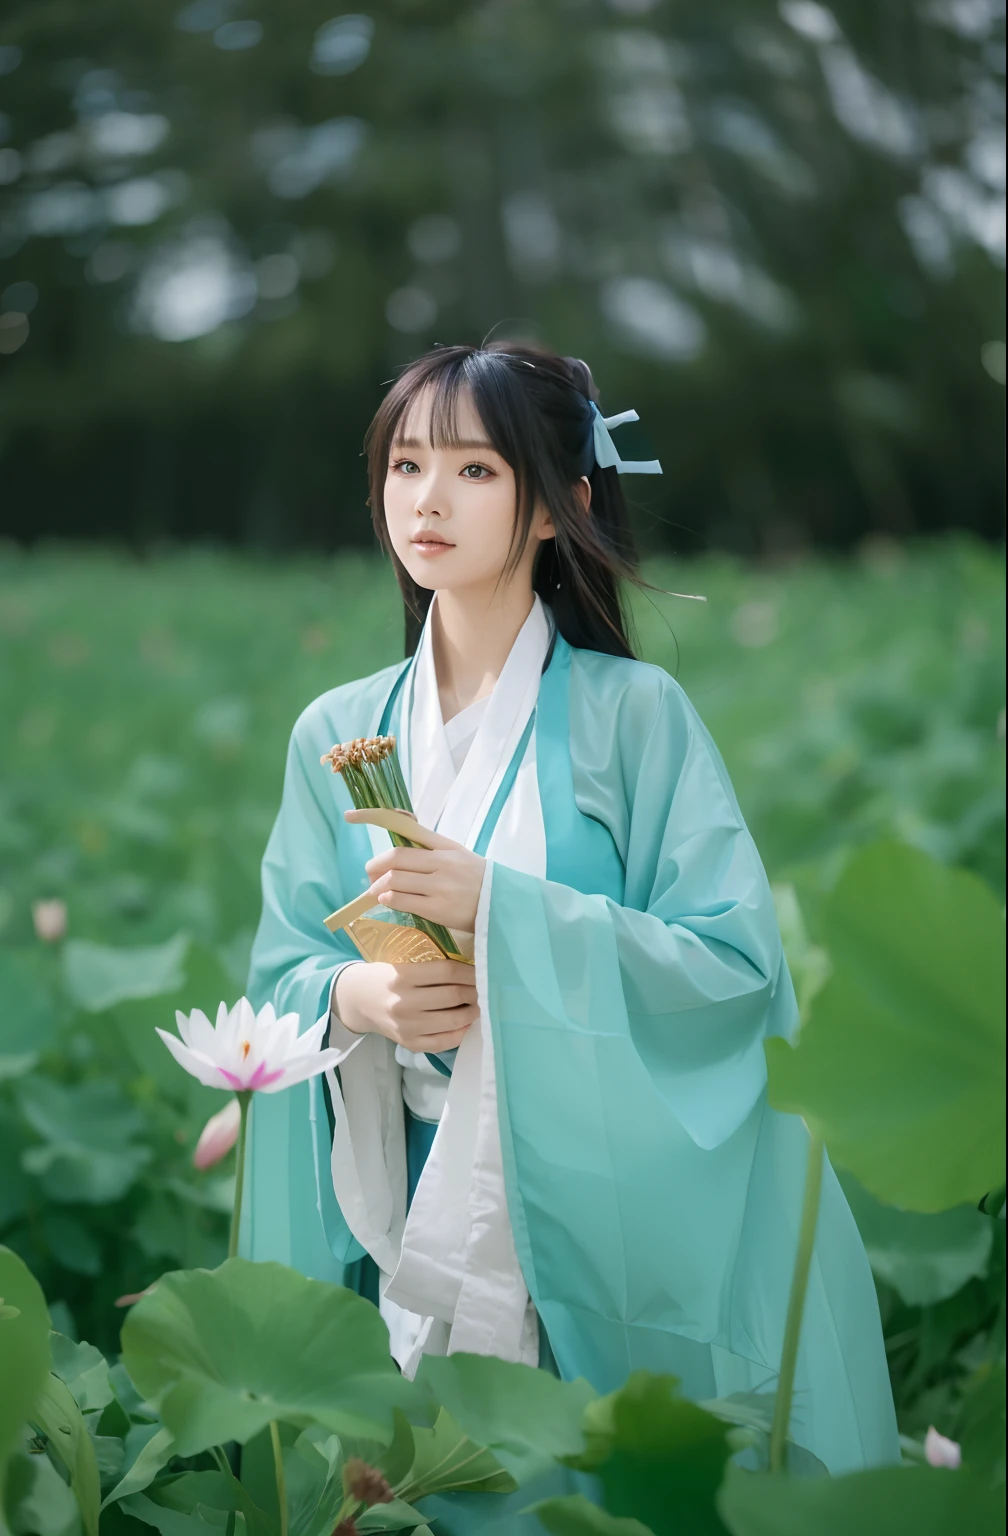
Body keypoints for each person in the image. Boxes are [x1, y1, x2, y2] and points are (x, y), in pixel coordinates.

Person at [244, 342, 899, 1516]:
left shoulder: (637, 719)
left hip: (595, 1200)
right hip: (402, 1179)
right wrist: (357, 1000)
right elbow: (284, 963)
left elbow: (734, 968)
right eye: (404, 464)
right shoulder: (332, 731)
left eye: (475, 470)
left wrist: (503, 911)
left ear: (559, 503)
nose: (427, 500)